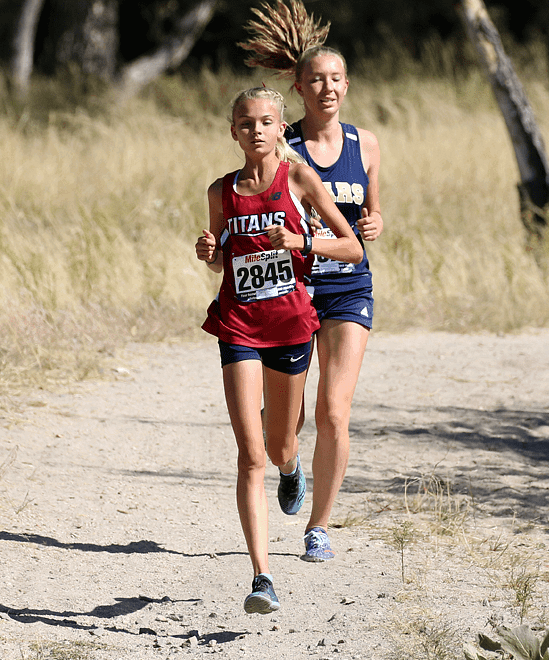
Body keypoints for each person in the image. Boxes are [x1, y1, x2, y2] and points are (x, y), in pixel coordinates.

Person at [194, 86, 362, 614]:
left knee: (280, 443)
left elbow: (352, 247)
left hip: (289, 325)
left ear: (280, 128)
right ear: (233, 131)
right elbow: (222, 259)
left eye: (267, 122)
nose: (257, 131)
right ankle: (262, 576)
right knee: (249, 455)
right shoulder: (221, 191)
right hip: (238, 324)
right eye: (246, 123)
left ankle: (292, 470)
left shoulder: (300, 179)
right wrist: (209, 254)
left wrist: (302, 244)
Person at [239, 1, 384, 563]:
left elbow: (370, 215)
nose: (327, 89)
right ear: (298, 88)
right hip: (293, 291)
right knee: (284, 430)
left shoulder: (366, 143)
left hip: (349, 285)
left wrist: (375, 220)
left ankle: (319, 527)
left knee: (334, 411)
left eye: (336, 80)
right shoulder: (283, 147)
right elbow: (251, 202)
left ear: (347, 86)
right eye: (316, 81)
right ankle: (290, 466)